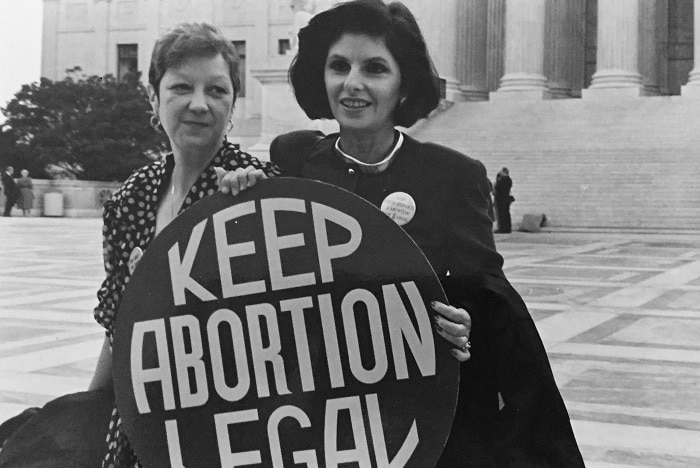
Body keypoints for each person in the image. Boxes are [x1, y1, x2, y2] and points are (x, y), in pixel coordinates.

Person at [221, 1, 584, 466]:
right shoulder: (293, 160)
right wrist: (241, 192)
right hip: (324, 422)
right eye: (338, 66)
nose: (352, 84)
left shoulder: (454, 175)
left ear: (403, 83)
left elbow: (486, 294)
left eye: (374, 68)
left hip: (421, 422)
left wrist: (466, 321)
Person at [86, 22, 280, 467]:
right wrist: (86, 411)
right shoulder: (130, 199)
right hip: (143, 420)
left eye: (216, 90)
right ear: (154, 98)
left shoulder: (259, 191)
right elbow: (119, 329)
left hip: (232, 427)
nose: (199, 104)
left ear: (233, 103)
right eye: (181, 88)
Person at [494, 167, 513, 233]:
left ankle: (502, 228)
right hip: (506, 199)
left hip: (501, 199)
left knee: (501, 214)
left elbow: (497, 188)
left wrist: (497, 181)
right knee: (506, 214)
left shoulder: (503, 180)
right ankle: (507, 228)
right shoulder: (509, 180)